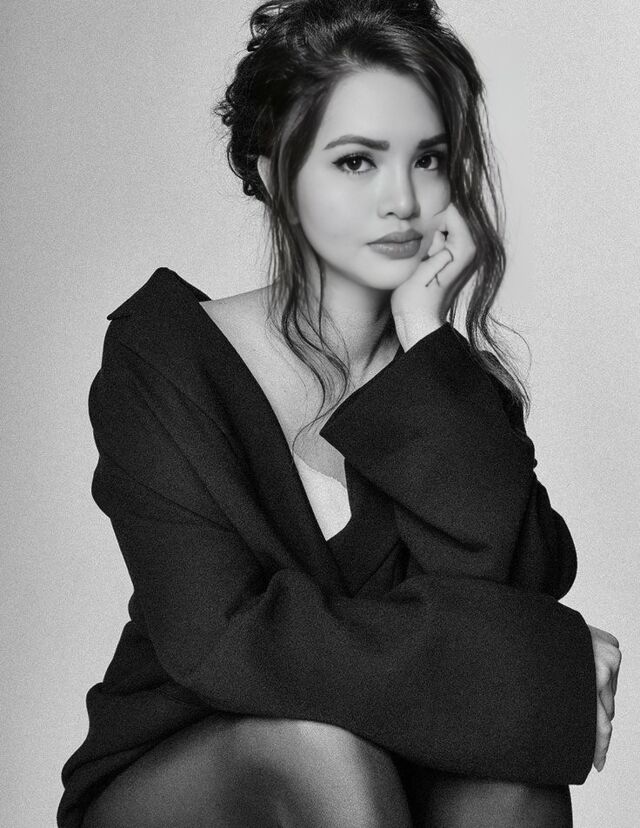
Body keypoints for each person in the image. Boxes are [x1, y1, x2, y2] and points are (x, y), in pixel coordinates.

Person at [57, 1, 622, 826]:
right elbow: (221, 641)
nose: (403, 199)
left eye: (428, 159)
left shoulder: (453, 390)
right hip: (187, 775)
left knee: (513, 787)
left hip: (389, 769)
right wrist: (539, 672)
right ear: (276, 174)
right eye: (357, 161)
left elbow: (513, 597)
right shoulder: (166, 359)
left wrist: (427, 342)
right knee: (321, 753)